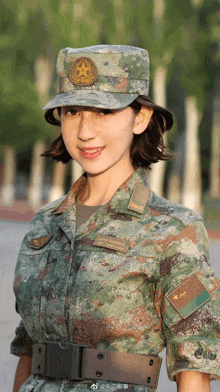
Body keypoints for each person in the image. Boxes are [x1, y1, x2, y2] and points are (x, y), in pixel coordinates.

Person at [11, 45, 220, 392]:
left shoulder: (173, 230)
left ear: (141, 117)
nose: (85, 131)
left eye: (104, 112)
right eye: (73, 111)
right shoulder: (43, 226)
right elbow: (30, 353)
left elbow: (194, 368)